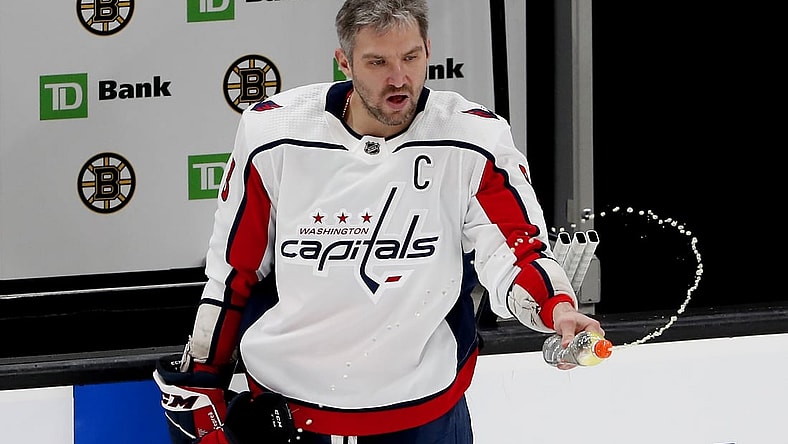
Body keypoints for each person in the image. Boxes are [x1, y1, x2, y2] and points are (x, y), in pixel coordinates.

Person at [154, 0, 604, 443]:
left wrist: (558, 308)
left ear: (428, 49)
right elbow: (235, 271)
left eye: (411, 57)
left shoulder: (474, 138)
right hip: (287, 409)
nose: (399, 78)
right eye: (377, 62)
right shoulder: (274, 134)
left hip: (424, 414)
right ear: (344, 62)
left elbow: (517, 251)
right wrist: (204, 372)